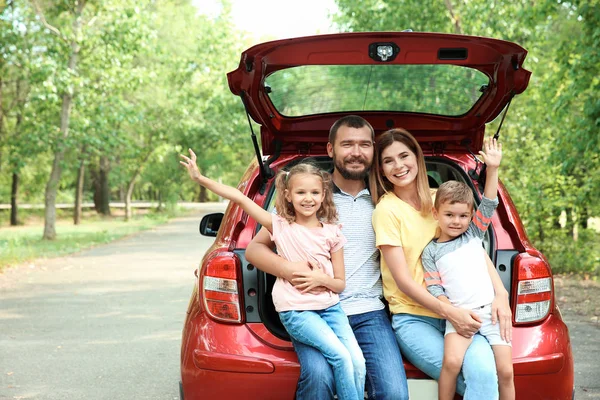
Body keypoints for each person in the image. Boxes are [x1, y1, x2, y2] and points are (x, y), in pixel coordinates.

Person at [246, 115, 409, 400]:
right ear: (331, 149)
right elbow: (254, 249)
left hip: (369, 311)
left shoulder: (386, 200)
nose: (356, 152)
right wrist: (288, 268)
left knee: (394, 392)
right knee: (319, 377)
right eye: (347, 144)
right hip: (312, 309)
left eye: (364, 145)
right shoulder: (309, 197)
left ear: (373, 150)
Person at [180, 150, 366, 400]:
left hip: (331, 309)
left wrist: (320, 279)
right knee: (342, 358)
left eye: (314, 192)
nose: (308, 199)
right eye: (301, 192)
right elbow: (239, 198)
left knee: (358, 363)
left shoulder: (333, 233)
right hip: (298, 312)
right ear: (288, 195)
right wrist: (201, 179)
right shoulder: (279, 225)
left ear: (324, 195)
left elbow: (339, 284)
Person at [370, 129, 512, 400]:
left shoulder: (441, 199)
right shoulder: (386, 211)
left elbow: (472, 248)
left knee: (485, 374)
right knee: (469, 378)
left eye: (404, 156)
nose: (399, 166)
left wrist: (501, 294)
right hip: (415, 318)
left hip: (464, 313)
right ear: (381, 170)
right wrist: (450, 312)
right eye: (388, 161)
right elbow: (403, 281)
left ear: (417, 157)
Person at [422, 160, 514, 400]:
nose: (456, 221)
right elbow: (434, 286)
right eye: (449, 214)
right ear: (435, 213)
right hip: (461, 316)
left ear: (471, 216)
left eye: (463, 215)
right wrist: (452, 310)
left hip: (491, 315)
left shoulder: (473, 234)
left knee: (505, 371)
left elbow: (490, 202)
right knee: (451, 364)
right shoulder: (430, 251)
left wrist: (492, 168)